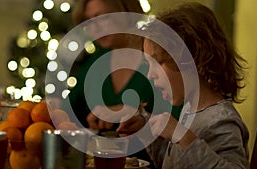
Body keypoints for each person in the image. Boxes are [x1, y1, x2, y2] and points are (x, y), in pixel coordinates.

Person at [117, 2, 250, 168]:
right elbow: (178, 163)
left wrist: (181, 135)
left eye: (158, 62)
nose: (150, 74)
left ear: (194, 59)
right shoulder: (190, 110)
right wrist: (147, 132)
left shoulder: (221, 120)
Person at [62, 0, 175, 168]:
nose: (95, 28)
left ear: (127, 10)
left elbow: (181, 121)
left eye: (102, 17)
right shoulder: (96, 62)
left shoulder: (157, 55)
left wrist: (132, 111)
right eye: (89, 21)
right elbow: (66, 112)